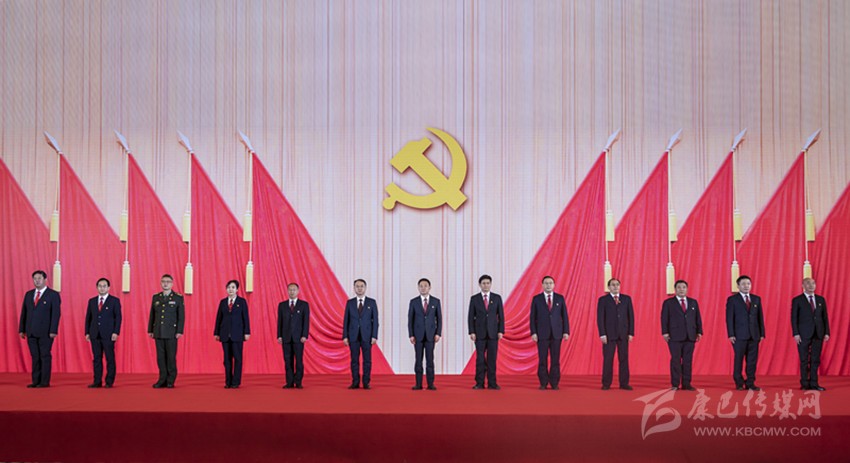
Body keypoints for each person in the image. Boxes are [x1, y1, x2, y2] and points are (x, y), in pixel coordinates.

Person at [18, 270, 61, 388]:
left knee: (44, 356)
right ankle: (35, 381)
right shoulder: (29, 294)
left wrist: (53, 330)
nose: (37, 281)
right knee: (35, 356)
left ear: (45, 280)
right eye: (35, 279)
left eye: (39, 278)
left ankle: (44, 382)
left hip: (46, 332)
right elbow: (24, 312)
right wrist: (21, 329)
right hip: (31, 331)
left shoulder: (53, 295)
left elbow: (56, 314)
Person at [661, 279, 702, 391]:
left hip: (690, 335)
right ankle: (675, 384)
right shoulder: (668, 303)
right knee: (675, 360)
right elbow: (664, 318)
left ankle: (686, 383)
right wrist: (665, 332)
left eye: (684, 287)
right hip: (674, 336)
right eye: (679, 287)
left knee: (688, 360)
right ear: (675, 289)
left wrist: (699, 331)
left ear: (687, 289)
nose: (681, 289)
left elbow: (697, 318)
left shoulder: (693, 302)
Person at [529, 276, 569, 390]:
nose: (548, 285)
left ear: (554, 285)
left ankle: (554, 382)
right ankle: (543, 382)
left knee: (555, 359)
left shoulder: (560, 298)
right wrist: (533, 332)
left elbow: (564, 316)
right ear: (542, 285)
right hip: (542, 334)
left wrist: (566, 331)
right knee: (542, 359)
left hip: (557, 334)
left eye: (550, 283)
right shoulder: (537, 299)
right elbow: (532, 317)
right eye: (546, 283)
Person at [726, 275, 765, 391]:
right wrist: (731, 334)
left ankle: (750, 382)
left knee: (752, 360)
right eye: (743, 284)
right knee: (739, 359)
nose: (746, 286)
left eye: (748, 284)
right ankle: (739, 382)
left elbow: (760, 317)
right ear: (738, 286)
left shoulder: (756, 299)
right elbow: (729, 318)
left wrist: (762, 333)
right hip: (739, 335)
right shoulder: (732, 300)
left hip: (754, 335)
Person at [791, 278, 830, 391]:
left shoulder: (820, 299)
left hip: (818, 333)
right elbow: (794, 318)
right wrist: (796, 333)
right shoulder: (797, 300)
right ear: (803, 286)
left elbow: (825, 317)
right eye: (808, 283)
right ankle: (804, 383)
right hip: (803, 334)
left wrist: (826, 332)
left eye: (813, 283)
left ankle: (814, 383)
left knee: (815, 359)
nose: (811, 285)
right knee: (804, 360)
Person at [147, 274, 185, 388]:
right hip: (158, 331)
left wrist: (179, 331)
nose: (165, 284)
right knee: (160, 358)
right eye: (163, 281)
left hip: (171, 332)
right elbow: (152, 315)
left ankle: (170, 380)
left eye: (168, 281)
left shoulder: (177, 298)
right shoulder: (156, 297)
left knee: (171, 357)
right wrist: (150, 329)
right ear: (160, 283)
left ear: (172, 284)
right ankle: (162, 379)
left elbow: (181, 316)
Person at [468, 274, 505, 390]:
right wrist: (472, 332)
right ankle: (479, 383)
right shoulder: (474, 299)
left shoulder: (497, 298)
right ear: (480, 285)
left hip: (493, 333)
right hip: (479, 333)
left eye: (488, 283)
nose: (486, 285)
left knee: (492, 359)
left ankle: (492, 383)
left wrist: (501, 331)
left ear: (491, 284)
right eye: (483, 283)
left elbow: (501, 316)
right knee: (480, 359)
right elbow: (470, 316)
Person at [597, 278, 634, 390]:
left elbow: (631, 317)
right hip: (609, 335)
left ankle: (624, 383)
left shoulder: (626, 299)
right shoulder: (603, 300)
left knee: (624, 359)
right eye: (613, 285)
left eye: (617, 284)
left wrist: (631, 332)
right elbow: (600, 318)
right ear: (609, 287)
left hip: (623, 334)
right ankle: (606, 383)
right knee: (608, 359)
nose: (615, 287)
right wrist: (602, 334)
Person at [85, 278, 122, 388]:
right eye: (100, 286)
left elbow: (118, 318)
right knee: (96, 358)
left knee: (110, 358)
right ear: (97, 287)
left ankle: (109, 381)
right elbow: (88, 318)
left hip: (109, 334)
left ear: (108, 287)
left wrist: (116, 332)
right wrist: (87, 332)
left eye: (104, 286)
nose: (102, 288)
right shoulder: (92, 301)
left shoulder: (114, 301)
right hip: (94, 334)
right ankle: (97, 381)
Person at [214, 280, 250, 389]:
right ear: (226, 289)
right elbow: (218, 318)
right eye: (229, 287)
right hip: (225, 334)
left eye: (233, 287)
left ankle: (236, 382)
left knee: (238, 359)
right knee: (227, 360)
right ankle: (228, 381)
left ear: (237, 289)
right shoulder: (223, 302)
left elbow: (246, 318)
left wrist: (247, 332)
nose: (231, 289)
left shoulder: (242, 302)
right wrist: (216, 333)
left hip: (237, 334)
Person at [343, 279, 379, 389]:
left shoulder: (371, 302)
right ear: (354, 288)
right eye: (357, 286)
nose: (359, 288)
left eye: (361, 286)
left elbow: (375, 321)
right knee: (354, 360)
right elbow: (346, 321)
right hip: (353, 336)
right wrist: (345, 336)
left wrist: (374, 336)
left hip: (367, 336)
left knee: (367, 360)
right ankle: (355, 382)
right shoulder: (350, 303)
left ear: (365, 288)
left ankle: (366, 382)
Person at [408, 278, 442, 390]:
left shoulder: (435, 301)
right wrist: (411, 335)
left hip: (431, 335)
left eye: (425, 286)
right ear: (418, 288)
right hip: (417, 336)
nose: (423, 288)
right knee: (418, 360)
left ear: (429, 287)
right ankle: (418, 384)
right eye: (421, 286)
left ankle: (430, 384)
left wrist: (438, 333)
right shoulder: (414, 302)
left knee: (430, 360)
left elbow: (439, 319)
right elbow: (410, 320)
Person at [278, 283, 309, 389]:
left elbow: (306, 321)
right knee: (288, 361)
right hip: (286, 337)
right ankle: (289, 382)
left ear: (298, 291)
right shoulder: (282, 305)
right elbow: (279, 322)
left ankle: (298, 381)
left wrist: (304, 335)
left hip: (299, 338)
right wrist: (279, 336)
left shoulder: (304, 305)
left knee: (299, 361)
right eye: (290, 290)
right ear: (287, 291)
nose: (292, 292)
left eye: (294, 290)